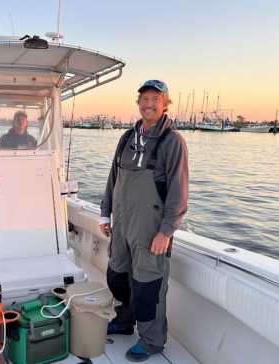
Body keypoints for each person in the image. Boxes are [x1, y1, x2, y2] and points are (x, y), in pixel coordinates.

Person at [99, 80, 189, 361]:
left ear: (165, 104)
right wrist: (105, 212)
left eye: (155, 99)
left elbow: (178, 191)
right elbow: (113, 179)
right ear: (138, 103)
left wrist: (166, 231)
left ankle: (152, 341)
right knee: (117, 276)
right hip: (123, 224)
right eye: (144, 99)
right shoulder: (126, 137)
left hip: (152, 230)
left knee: (148, 287)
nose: (149, 104)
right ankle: (125, 322)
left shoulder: (173, 141)